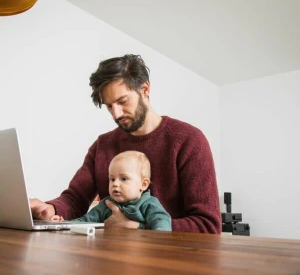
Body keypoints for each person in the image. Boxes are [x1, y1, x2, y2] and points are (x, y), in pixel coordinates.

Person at [30, 54, 221, 233]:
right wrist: (51, 209)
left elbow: (208, 225)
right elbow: (75, 198)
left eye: (122, 101)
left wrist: (136, 227)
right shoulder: (102, 145)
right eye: (109, 106)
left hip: (173, 260)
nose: (116, 114)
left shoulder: (188, 140)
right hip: (114, 259)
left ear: (145, 89)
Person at [51, 151, 172, 231]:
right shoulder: (107, 204)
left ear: (143, 184)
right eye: (112, 179)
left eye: (124, 179)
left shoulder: (149, 204)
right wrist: (63, 224)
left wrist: (137, 227)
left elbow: (162, 225)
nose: (115, 184)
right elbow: (85, 221)